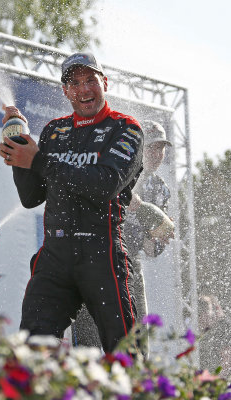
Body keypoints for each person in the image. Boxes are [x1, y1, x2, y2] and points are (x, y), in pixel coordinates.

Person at [0, 52, 172, 353]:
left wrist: (38, 160)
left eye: (91, 80)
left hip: (101, 253)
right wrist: (20, 150)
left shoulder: (126, 129)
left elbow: (105, 184)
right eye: (74, 82)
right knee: (31, 351)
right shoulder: (54, 131)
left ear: (104, 83)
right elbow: (31, 198)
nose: (84, 89)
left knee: (125, 354)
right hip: (55, 255)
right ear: (65, 91)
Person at [71, 120, 174, 349]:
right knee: (90, 337)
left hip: (130, 262)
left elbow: (152, 249)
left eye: (161, 148)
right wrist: (124, 196)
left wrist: (159, 236)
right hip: (96, 256)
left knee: (137, 336)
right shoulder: (114, 166)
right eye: (151, 147)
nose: (157, 154)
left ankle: (134, 380)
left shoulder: (160, 188)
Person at [198, 294, 231, 378]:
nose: (200, 324)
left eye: (200, 318)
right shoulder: (224, 325)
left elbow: (226, 363)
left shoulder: (224, 328)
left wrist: (215, 384)